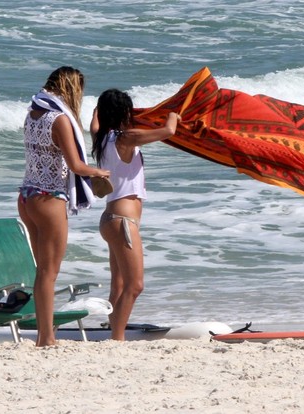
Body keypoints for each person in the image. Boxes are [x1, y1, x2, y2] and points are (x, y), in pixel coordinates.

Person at [18, 66, 110, 347]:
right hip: (49, 197)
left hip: (27, 195)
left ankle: (46, 335)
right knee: (49, 272)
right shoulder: (58, 119)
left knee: (43, 271)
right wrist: (100, 173)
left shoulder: (33, 113)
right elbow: (75, 165)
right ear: (70, 88)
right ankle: (46, 338)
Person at [90, 88, 180, 341]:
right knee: (135, 285)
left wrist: (100, 108)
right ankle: (117, 339)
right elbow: (168, 131)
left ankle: (113, 332)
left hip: (110, 220)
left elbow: (94, 123)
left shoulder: (101, 138)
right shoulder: (125, 138)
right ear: (124, 113)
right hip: (123, 222)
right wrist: (173, 113)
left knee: (118, 285)